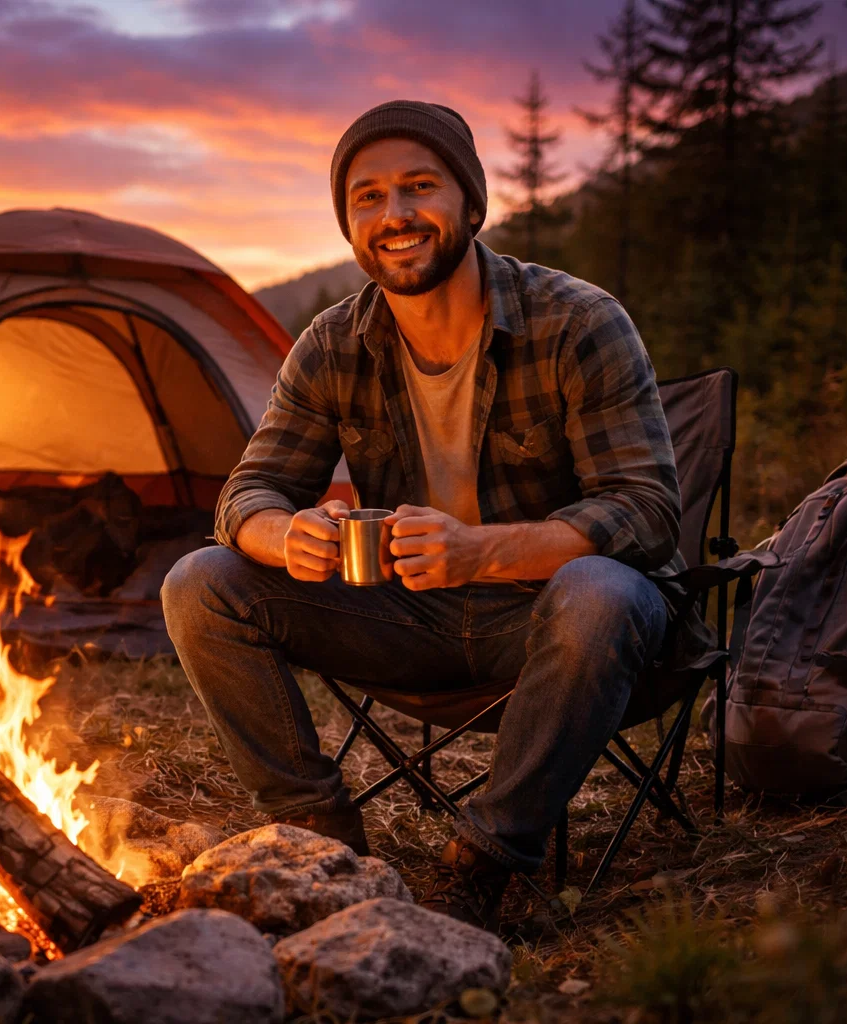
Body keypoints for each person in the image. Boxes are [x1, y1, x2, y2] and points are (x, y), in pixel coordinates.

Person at [161, 100, 710, 930]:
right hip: (410, 622)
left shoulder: (577, 321)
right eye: (368, 198)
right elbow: (247, 493)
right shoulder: (333, 343)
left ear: (471, 203)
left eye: (419, 187)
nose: (396, 216)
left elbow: (646, 512)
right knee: (200, 581)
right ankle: (322, 841)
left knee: (601, 588)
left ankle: (484, 863)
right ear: (349, 223)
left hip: (556, 625)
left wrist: (479, 552)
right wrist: (285, 533)